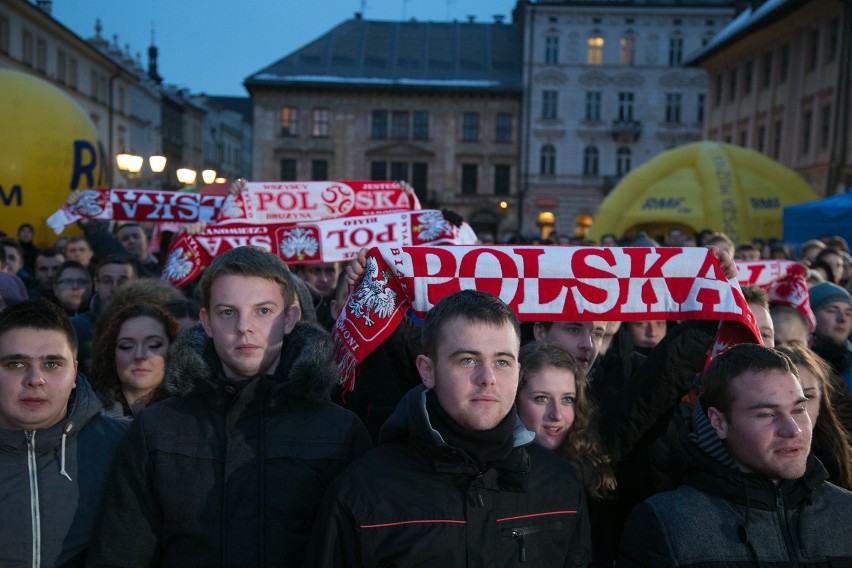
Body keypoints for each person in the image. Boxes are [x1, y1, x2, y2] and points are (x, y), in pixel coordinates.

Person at [88, 246, 371, 566]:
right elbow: (120, 552)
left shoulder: (340, 432)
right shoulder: (157, 430)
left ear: (290, 318)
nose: (243, 327)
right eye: (228, 312)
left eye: (263, 311)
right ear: (206, 321)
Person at [304, 289, 591, 566]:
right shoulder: (363, 491)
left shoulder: (560, 485)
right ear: (428, 371)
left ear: (518, 371)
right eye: (468, 360)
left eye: (502, 361)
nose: (487, 378)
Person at [618, 344, 852, 566]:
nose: (793, 429)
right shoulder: (665, 524)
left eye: (798, 409)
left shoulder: (846, 512)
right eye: (767, 415)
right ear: (718, 422)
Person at [0, 300, 127, 565]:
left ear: (74, 373)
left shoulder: (123, 446)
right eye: (16, 364)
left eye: (52, 364)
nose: (35, 379)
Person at [776, 344, 852, 489]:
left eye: (808, 396)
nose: (798, 406)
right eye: (784, 396)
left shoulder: (840, 459)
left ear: (821, 403)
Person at [89, 303, 180, 420]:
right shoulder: (86, 416)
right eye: (126, 346)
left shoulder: (191, 414)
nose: (139, 355)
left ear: (173, 349)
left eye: (154, 345)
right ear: (111, 354)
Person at [69, 253, 138, 377]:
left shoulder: (150, 325)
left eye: (123, 281)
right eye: (107, 281)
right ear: (96, 284)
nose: (114, 288)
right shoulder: (74, 327)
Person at [808, 282, 852, 387]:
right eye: (832, 310)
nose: (842, 318)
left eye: (848, 313)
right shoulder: (797, 364)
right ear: (811, 316)